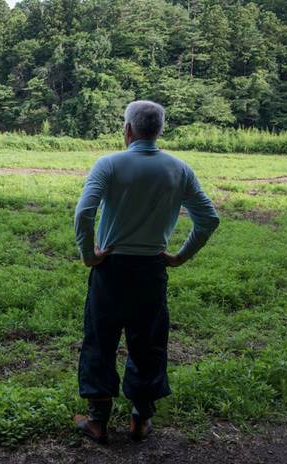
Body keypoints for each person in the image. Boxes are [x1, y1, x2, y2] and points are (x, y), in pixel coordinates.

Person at [73, 100, 220, 444]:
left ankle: (97, 422)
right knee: (148, 343)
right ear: (159, 131)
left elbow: (84, 213)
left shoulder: (109, 164)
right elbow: (209, 219)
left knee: (100, 340)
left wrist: (88, 254)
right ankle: (140, 421)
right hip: (152, 269)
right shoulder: (179, 169)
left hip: (111, 268)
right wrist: (181, 256)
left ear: (127, 129)